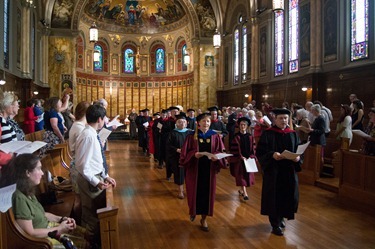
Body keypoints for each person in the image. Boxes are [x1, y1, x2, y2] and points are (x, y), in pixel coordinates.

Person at [10, 154, 87, 248]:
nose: (42, 173)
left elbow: (43, 214)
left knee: (85, 234)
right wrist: (59, 229)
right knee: (82, 244)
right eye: (38, 169)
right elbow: (30, 233)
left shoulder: (28, 191)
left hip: (48, 228)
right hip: (41, 241)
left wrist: (62, 219)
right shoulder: (19, 198)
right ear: (27, 173)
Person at [256, 108, 302, 236]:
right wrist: (272, 155)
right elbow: (260, 152)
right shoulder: (268, 133)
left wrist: (298, 158)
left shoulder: (292, 133)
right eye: (280, 118)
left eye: (285, 118)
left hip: (288, 171)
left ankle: (281, 218)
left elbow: (299, 149)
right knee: (274, 196)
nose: (283, 120)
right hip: (274, 171)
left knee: (286, 195)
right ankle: (275, 224)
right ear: (275, 119)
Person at [74, 104, 116, 245]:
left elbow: (96, 160)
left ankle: (93, 241)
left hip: (95, 176)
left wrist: (105, 176)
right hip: (89, 179)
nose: (104, 121)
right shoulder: (88, 136)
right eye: (104, 118)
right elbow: (82, 165)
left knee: (95, 212)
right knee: (90, 215)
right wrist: (95, 181)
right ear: (100, 119)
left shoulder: (92, 134)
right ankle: (88, 243)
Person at [179, 113, 227, 232]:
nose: (206, 123)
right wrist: (194, 154)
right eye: (204, 121)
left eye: (208, 121)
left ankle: (204, 219)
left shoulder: (215, 136)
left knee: (207, 194)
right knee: (194, 193)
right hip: (194, 170)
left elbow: (220, 150)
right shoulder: (191, 136)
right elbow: (185, 153)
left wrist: (217, 157)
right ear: (198, 123)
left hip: (209, 171)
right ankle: (193, 211)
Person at [68, 101, 90, 224]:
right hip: (78, 164)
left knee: (80, 197)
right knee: (79, 199)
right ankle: (78, 224)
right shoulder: (79, 127)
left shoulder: (78, 125)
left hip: (77, 162)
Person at [229, 117, 256, 201]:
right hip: (239, 160)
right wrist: (240, 157)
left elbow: (253, 148)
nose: (242, 126)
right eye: (241, 125)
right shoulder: (236, 137)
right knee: (241, 176)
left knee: (247, 176)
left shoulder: (250, 137)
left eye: (244, 125)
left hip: (248, 160)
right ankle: (245, 193)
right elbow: (234, 149)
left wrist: (251, 156)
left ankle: (242, 190)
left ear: (247, 126)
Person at [166, 114, 190, 199]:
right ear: (176, 123)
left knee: (189, 173)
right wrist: (177, 150)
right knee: (179, 173)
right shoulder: (172, 133)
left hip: (188, 156)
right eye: (179, 122)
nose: (182, 123)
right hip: (177, 156)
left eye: (183, 122)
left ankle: (189, 189)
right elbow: (168, 145)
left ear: (186, 123)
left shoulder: (190, 133)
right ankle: (180, 191)